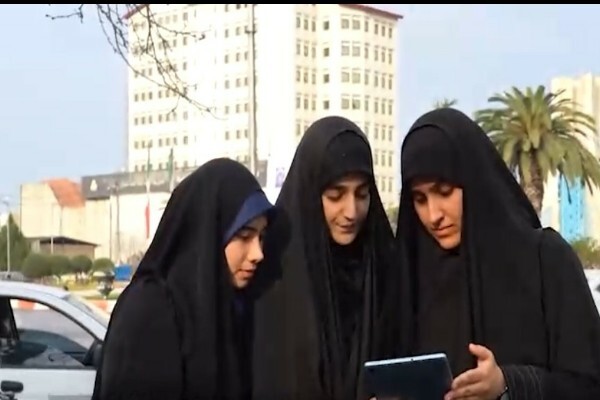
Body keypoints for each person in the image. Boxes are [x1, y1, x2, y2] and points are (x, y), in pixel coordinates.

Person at [395, 107, 600, 400]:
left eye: (444, 191)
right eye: (419, 199)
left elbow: (588, 383)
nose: (433, 215)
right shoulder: (412, 278)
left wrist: (508, 384)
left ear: (474, 180)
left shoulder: (545, 261)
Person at [91, 158, 275, 400]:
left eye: (262, 237)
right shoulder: (151, 307)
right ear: (208, 232)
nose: (258, 254)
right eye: (244, 236)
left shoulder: (233, 307)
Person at [251, 116, 397, 400]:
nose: (351, 212)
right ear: (311, 194)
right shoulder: (275, 280)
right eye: (335, 195)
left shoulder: (385, 271)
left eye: (362, 194)